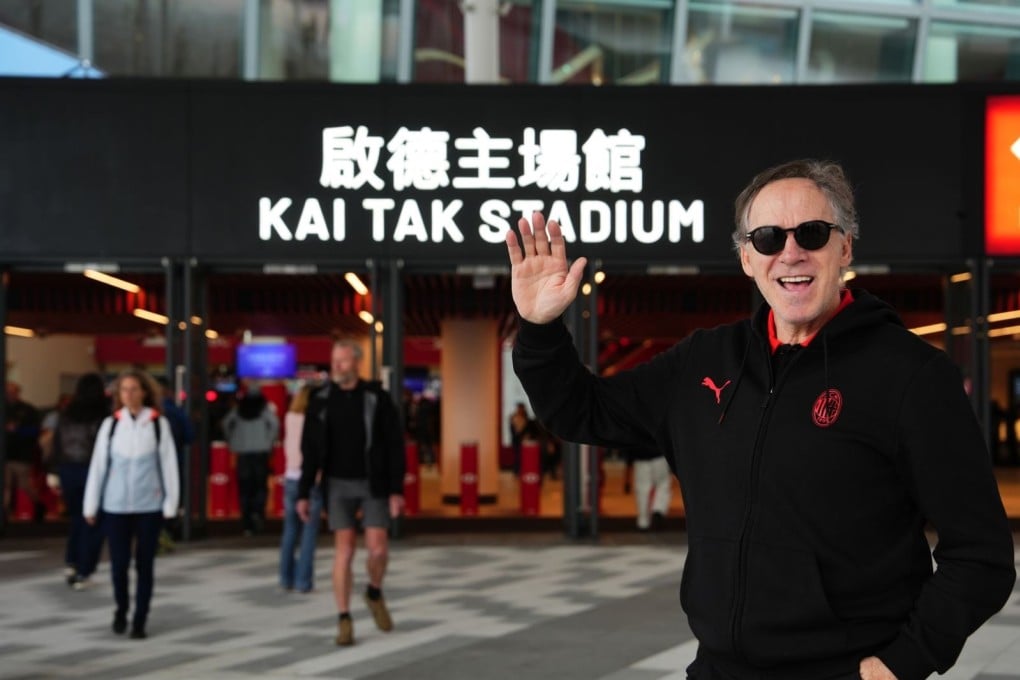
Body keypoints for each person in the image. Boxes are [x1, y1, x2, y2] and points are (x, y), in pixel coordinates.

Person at [505, 159, 1016, 680]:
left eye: (813, 234)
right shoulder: (704, 361)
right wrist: (541, 328)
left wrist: (898, 665)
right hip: (718, 669)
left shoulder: (913, 377)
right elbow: (580, 411)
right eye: (768, 237)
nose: (790, 252)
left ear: (845, 248)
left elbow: (982, 556)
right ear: (747, 258)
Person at [297, 339, 405, 647]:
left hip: (374, 484)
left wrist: (396, 489)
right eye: (334, 361)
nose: (336, 366)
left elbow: (394, 445)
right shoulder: (320, 400)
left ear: (356, 362)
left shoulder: (376, 398)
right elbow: (310, 451)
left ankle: (373, 591)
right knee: (344, 552)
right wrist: (304, 493)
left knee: (378, 550)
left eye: (342, 361)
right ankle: (344, 618)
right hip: (336, 484)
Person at [83, 369, 179, 640]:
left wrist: (170, 505)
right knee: (118, 564)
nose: (129, 394)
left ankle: (140, 619)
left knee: (144, 564)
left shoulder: (158, 424)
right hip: (115, 506)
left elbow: (169, 466)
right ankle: (121, 609)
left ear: (145, 392)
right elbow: (98, 467)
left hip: (149, 505)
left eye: (134, 389)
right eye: (124, 390)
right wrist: (91, 506)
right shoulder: (111, 425)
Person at [49, 373, 110, 588]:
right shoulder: (103, 414)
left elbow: (56, 444)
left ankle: (71, 561)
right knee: (93, 520)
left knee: (76, 518)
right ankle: (85, 569)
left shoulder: (66, 414)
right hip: (92, 471)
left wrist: (54, 470)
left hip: (68, 471)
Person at [279, 383, 323, 593]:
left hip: (290, 476)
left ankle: (285, 578)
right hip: (310, 478)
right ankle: (303, 581)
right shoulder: (315, 420)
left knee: (290, 530)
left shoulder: (290, 418)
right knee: (308, 533)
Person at [222, 382, 279, 536]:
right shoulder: (264, 409)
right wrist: (269, 441)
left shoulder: (239, 409)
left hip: (243, 454)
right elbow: (274, 424)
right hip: (261, 452)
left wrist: (232, 440)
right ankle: (258, 513)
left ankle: (247, 521)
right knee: (260, 486)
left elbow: (226, 423)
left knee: (245, 488)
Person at [4, 381, 44, 522]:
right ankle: (5, 514)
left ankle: (39, 505)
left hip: (21, 455)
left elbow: (36, 431)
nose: (10, 395)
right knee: (6, 486)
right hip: (6, 454)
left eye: (12, 391)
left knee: (24, 485)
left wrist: (18, 430)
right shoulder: (4, 409)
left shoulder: (28, 410)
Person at [627, 446, 672, 531]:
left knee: (642, 490)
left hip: (640, 457)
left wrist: (628, 465)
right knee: (662, 484)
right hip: (659, 456)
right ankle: (658, 508)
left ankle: (643, 522)